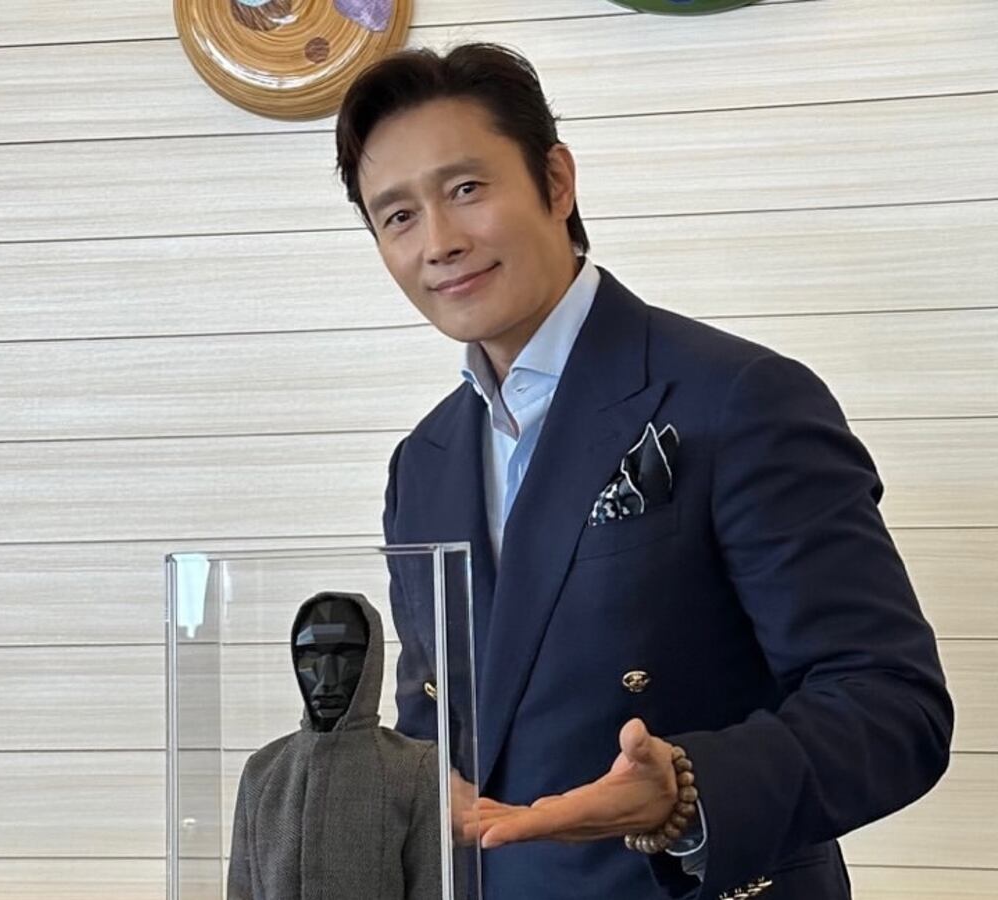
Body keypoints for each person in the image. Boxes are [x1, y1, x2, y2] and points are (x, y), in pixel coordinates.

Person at [334, 43, 953, 900]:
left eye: (466, 189)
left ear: (556, 182)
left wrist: (689, 795)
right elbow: (433, 726)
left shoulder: (739, 397)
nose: (439, 242)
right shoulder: (423, 462)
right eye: (398, 216)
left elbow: (892, 704)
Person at [227, 591, 441, 900]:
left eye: (346, 654)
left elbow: (434, 887)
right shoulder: (263, 772)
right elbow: (241, 890)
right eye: (310, 654)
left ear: (371, 659)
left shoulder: (413, 768)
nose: (326, 678)